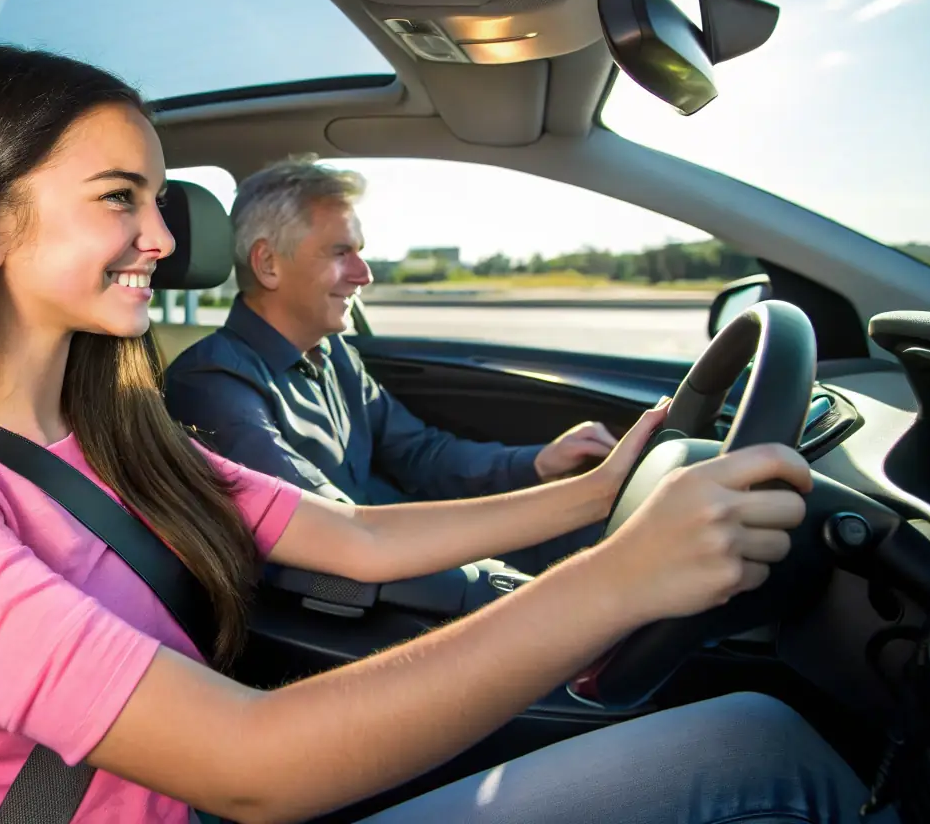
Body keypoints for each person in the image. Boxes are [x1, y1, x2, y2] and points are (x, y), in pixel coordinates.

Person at [0, 46, 890, 824]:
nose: (163, 233)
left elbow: (353, 537)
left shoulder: (111, 427)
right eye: (121, 197)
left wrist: (605, 495)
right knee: (763, 754)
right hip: (245, 790)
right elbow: (251, 766)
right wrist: (617, 583)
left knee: (755, 731)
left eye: (159, 197)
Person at [164, 157, 615, 572]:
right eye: (341, 252)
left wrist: (543, 462)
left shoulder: (335, 356)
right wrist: (580, 499)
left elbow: (420, 453)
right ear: (268, 264)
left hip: (401, 550)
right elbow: (337, 534)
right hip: (366, 588)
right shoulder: (213, 386)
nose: (365, 274)